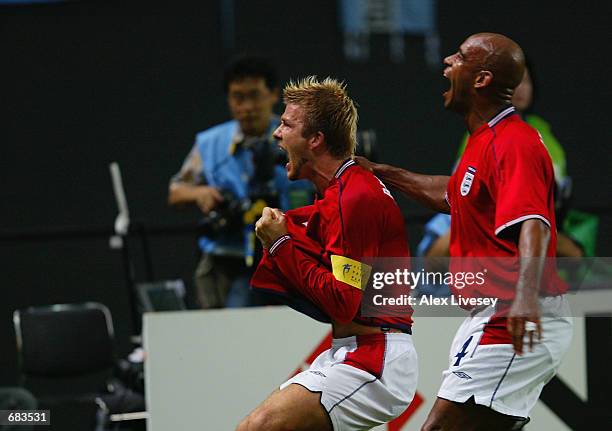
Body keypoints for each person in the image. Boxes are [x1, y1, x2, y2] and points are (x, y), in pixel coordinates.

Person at [358, 33, 572, 430]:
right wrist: (384, 173)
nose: (445, 61)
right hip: (490, 312)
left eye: (458, 57)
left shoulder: (515, 141)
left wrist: (524, 300)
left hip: (512, 310)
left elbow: (534, 223)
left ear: (482, 79)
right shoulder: (483, 140)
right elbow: (453, 193)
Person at [238, 77, 417, 431]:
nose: (277, 133)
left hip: (375, 359)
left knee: (258, 428)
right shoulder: (340, 194)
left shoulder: (355, 197)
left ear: (316, 139)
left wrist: (279, 245)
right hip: (350, 350)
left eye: (287, 125)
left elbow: (343, 301)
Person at [168, 56, 310, 309]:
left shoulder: (299, 137)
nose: (247, 106)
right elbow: (176, 191)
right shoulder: (210, 143)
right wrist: (200, 193)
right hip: (232, 260)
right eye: (238, 97)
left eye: (255, 95)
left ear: (273, 94)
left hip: (296, 257)